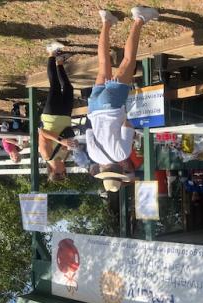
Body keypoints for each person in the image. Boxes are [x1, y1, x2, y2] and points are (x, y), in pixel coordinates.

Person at [87, 7, 159, 193]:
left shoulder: (121, 154)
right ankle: (106, 21)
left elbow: (127, 125)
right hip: (94, 107)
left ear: (119, 170)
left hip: (112, 106)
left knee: (128, 61)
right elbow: (88, 132)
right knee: (103, 65)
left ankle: (139, 19)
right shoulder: (94, 156)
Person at [38, 42, 78, 182]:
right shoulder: (63, 157)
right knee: (68, 88)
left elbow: (42, 133)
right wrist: (71, 144)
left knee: (54, 85)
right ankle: (60, 62)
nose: (66, 169)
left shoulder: (46, 155)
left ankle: (51, 53)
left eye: (63, 172)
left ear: (55, 171)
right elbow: (66, 141)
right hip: (65, 117)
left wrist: (62, 141)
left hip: (52, 116)